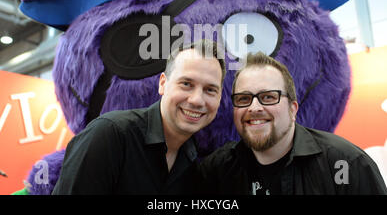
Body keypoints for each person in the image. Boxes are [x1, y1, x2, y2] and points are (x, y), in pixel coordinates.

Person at [198, 52, 387, 195]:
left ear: (293, 109)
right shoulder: (217, 171)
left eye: (268, 97)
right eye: (244, 98)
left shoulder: (346, 163)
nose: (254, 107)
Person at [52, 39, 226, 194]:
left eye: (210, 90)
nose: (197, 100)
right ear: (163, 84)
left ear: (219, 98)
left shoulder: (191, 161)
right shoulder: (110, 135)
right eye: (186, 84)